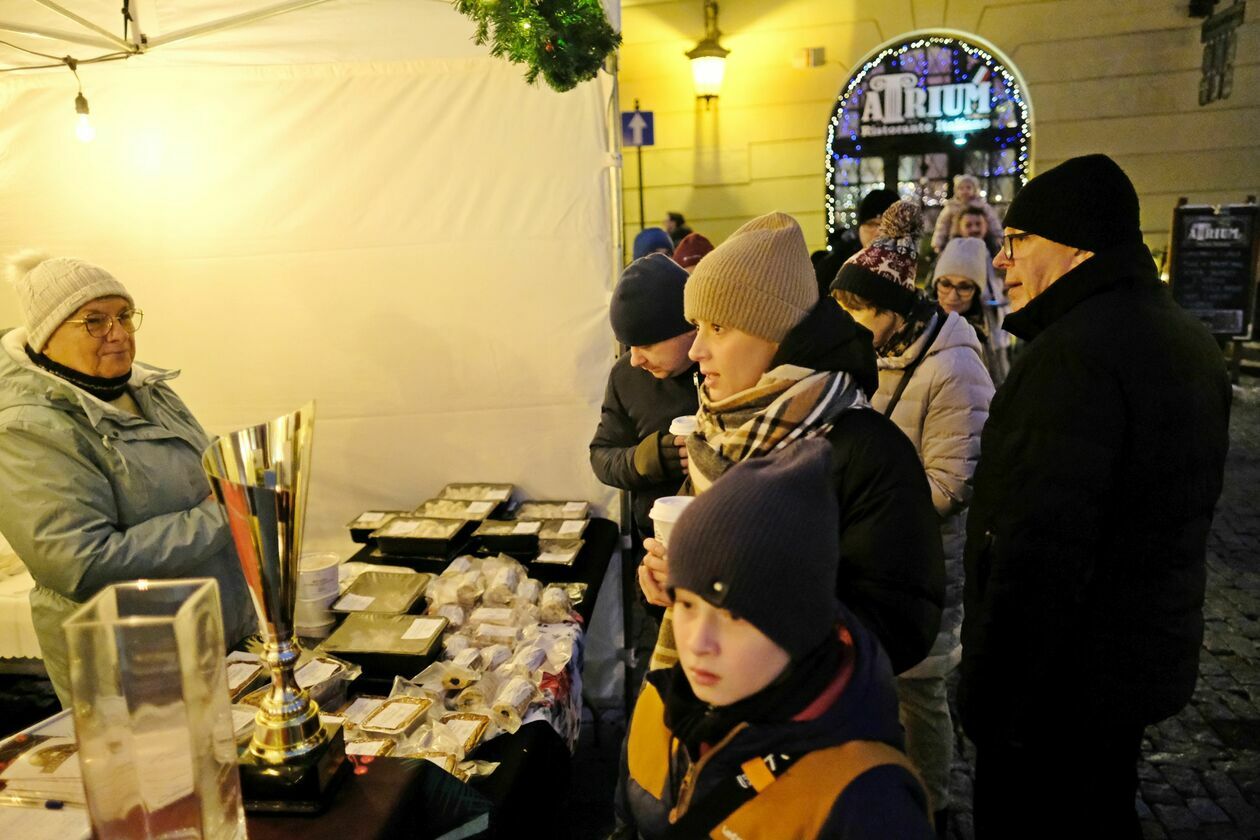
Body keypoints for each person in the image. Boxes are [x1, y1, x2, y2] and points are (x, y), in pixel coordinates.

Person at [958, 154, 1232, 839]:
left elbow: (1038, 551)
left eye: (1018, 242)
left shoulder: (1073, 356)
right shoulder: (1182, 337)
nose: (1002, 261)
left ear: (1075, 245)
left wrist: (991, 695)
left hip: (1055, 688)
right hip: (1128, 663)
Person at [640, 211, 944, 677]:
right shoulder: (716, 433)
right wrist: (672, 590)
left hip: (803, 728)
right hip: (706, 712)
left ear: (774, 332)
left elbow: (901, 626)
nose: (697, 350)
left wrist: (736, 605)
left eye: (717, 328)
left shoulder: (866, 449)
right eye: (696, 327)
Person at [614, 440, 934, 839]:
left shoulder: (863, 802)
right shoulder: (659, 708)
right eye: (687, 604)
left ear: (796, 623)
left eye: (733, 615)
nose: (697, 643)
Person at [0, 252, 257, 706]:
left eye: (123, 316)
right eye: (94, 322)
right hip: (135, 671)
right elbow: (82, 562)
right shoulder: (28, 428)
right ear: (46, 334)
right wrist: (226, 514)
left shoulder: (144, 388)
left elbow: (190, 460)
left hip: (214, 636)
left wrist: (240, 462)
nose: (117, 334)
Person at [831, 200, 993, 834]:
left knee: (921, 693)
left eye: (859, 310)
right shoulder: (868, 356)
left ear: (894, 311)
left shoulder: (953, 365)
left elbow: (953, 484)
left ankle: (935, 808)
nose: (847, 322)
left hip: (925, 561)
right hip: (867, 557)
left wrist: (862, 496)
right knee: (877, 685)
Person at [590, 253, 698, 542]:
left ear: (688, 327)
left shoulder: (726, 368)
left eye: (646, 344)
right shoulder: (626, 376)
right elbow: (601, 456)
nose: (636, 359)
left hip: (722, 540)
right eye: (629, 345)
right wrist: (646, 459)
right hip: (654, 541)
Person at [932, 236, 1010, 384]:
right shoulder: (917, 329)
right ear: (936, 285)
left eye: (964, 287)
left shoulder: (983, 339)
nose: (953, 296)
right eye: (945, 284)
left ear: (976, 292)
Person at [814, 188, 899, 299]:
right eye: (871, 224)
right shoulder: (834, 269)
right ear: (859, 228)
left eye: (887, 226)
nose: (879, 232)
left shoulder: (904, 268)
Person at [930, 174, 1002, 256]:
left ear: (975, 189)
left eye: (968, 188)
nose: (965, 191)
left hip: (980, 239)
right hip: (956, 238)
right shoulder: (951, 207)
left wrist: (998, 236)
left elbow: (993, 221)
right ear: (956, 191)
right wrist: (937, 242)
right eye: (961, 188)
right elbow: (942, 225)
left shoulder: (981, 206)